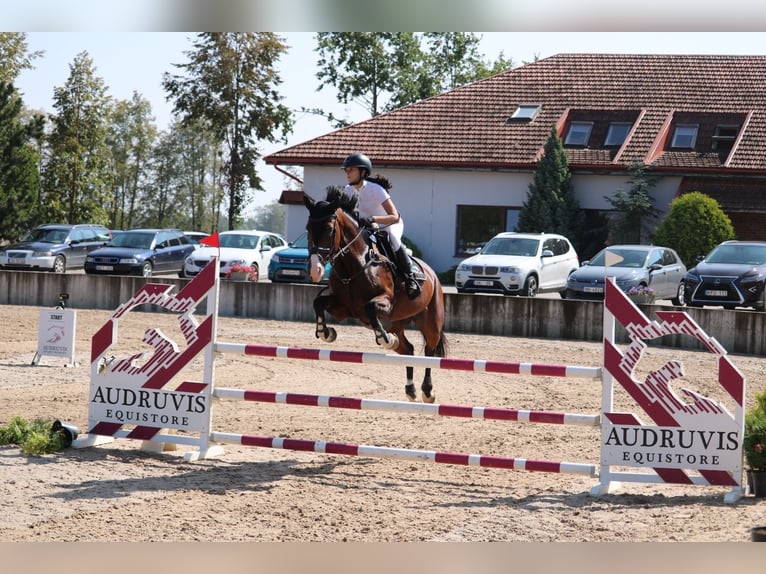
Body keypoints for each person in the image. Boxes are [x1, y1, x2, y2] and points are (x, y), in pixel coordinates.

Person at [341, 152, 421, 300]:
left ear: (363, 172)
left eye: (351, 169)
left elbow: (394, 216)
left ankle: (410, 278)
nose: (347, 173)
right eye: (346, 170)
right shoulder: (347, 190)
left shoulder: (376, 190)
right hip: (368, 227)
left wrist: (373, 218)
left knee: (393, 239)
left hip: (390, 224)